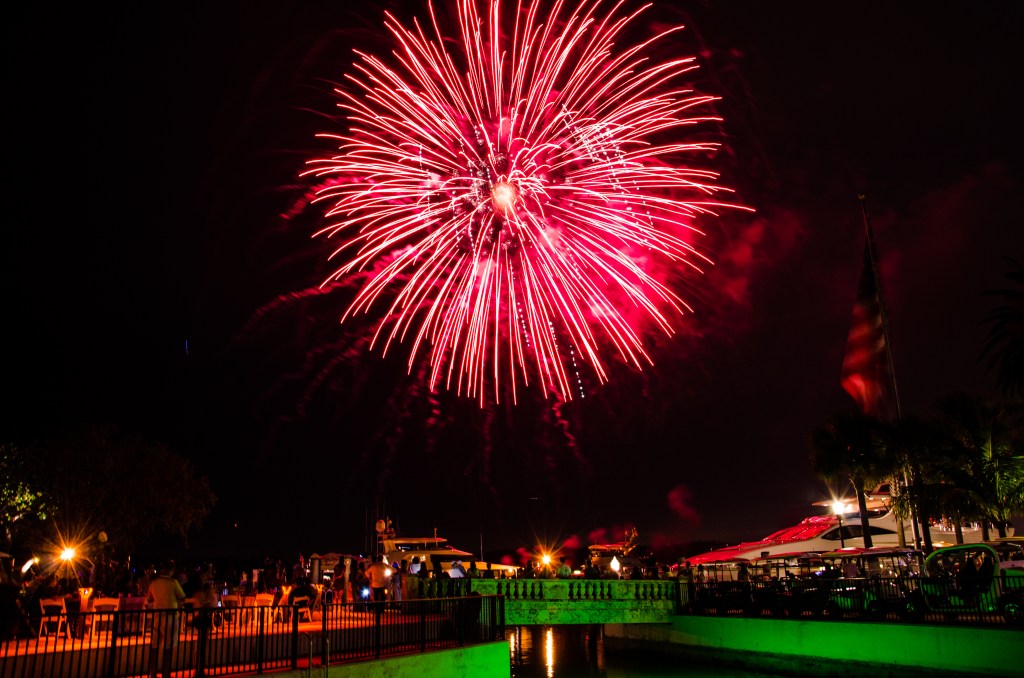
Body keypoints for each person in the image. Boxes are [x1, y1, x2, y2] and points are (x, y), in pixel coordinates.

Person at [146, 561, 186, 678]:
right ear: (171, 571)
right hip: (170, 616)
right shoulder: (173, 583)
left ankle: (152, 673)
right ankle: (166, 673)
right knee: (168, 646)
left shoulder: (154, 582)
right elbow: (182, 597)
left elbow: (149, 598)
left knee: (154, 645)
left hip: (157, 616)